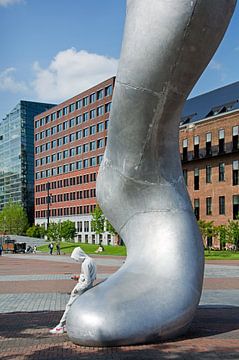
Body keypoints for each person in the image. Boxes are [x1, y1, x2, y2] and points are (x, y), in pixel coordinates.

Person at [50, 246, 97, 334]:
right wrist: (78, 277)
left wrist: (77, 289)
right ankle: (73, 324)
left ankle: (61, 325)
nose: (76, 260)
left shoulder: (85, 264)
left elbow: (87, 280)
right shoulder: (91, 260)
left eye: (76, 258)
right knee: (82, 306)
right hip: (88, 287)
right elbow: (90, 277)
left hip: (82, 287)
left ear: (79, 255)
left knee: (70, 305)